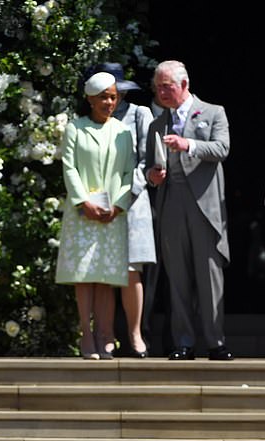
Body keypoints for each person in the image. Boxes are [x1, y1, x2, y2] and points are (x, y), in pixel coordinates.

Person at [145, 60, 233, 361]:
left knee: (209, 275)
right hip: (171, 202)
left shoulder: (213, 112)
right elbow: (149, 166)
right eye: (158, 88)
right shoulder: (156, 124)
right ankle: (183, 342)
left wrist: (187, 144)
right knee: (177, 276)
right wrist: (152, 177)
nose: (161, 92)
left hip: (205, 204)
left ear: (184, 85)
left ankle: (215, 341)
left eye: (166, 87)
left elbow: (222, 149)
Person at [55, 72, 134, 360]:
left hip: (112, 214)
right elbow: (70, 168)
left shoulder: (123, 131)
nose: (109, 102)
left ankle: (106, 335)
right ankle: (85, 335)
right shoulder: (76, 128)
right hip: (83, 214)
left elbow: (129, 173)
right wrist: (83, 202)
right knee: (85, 276)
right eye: (103, 97)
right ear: (89, 99)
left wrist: (119, 205)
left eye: (113, 97)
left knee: (106, 277)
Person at [87, 62, 154, 358]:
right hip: (100, 203)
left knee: (130, 271)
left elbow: (148, 161)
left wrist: (125, 196)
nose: (112, 99)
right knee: (102, 272)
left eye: (115, 93)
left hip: (132, 202)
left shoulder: (140, 114)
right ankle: (106, 335)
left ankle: (135, 333)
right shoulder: (89, 121)